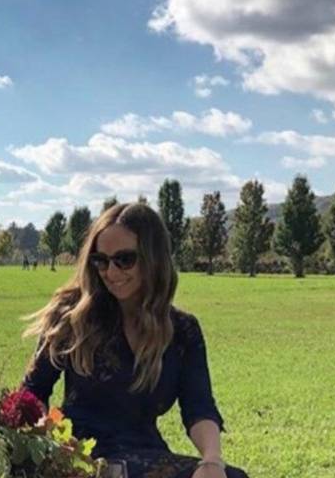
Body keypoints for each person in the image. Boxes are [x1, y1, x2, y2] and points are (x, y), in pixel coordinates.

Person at [23, 203, 248, 478]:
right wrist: (48, 443)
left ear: (154, 259)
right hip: (76, 457)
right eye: (101, 260)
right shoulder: (71, 316)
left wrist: (212, 461)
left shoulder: (183, 331)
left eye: (124, 260)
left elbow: (199, 407)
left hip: (146, 458)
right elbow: (31, 393)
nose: (111, 272)